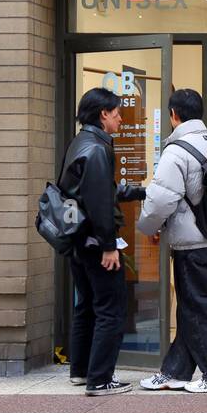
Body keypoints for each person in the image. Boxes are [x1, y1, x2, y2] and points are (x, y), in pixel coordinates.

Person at [136, 89, 207, 393]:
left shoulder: (177, 151)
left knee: (201, 309)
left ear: (174, 114)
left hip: (192, 246)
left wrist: (146, 226)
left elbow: (160, 200)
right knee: (193, 307)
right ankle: (176, 371)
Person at [60, 87, 147, 396]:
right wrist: (109, 246)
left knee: (86, 306)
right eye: (117, 113)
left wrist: (139, 190)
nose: (121, 119)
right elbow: (99, 203)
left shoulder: (79, 143)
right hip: (98, 244)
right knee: (111, 309)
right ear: (103, 114)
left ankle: (81, 371)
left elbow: (98, 192)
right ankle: (100, 379)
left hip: (78, 240)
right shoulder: (97, 149)